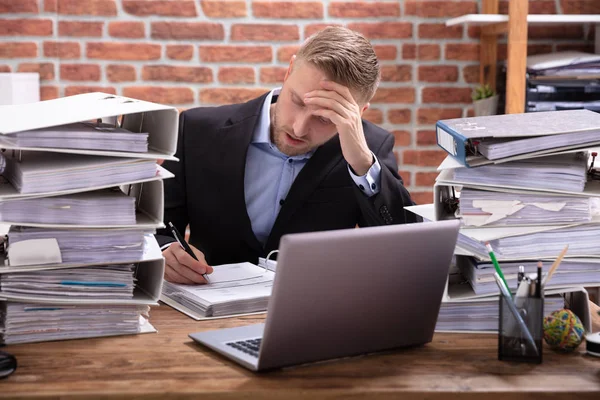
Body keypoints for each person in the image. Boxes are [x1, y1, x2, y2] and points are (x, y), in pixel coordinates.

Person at [156, 26, 419, 284]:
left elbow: (408, 249)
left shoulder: (370, 148)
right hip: (205, 307)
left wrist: (362, 164)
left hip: (313, 314)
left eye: (324, 118)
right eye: (298, 101)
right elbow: (151, 227)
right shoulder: (197, 130)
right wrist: (165, 251)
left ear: (358, 113)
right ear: (289, 71)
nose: (299, 128)